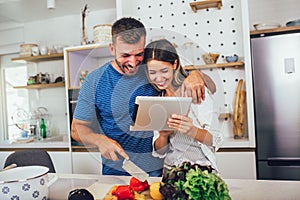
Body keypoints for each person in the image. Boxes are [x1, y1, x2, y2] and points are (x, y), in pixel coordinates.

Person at [71, 17, 209, 176]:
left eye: (139, 54)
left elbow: (201, 83)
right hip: (117, 174)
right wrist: (98, 140)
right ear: (112, 48)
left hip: (160, 173)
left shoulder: (151, 71)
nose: (133, 62)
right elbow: (77, 129)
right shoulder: (94, 81)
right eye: (125, 55)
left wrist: (195, 75)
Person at [143, 39, 223, 173]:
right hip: (171, 171)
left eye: (164, 70)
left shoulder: (195, 91)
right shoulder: (158, 100)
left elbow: (214, 140)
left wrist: (190, 130)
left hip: (202, 171)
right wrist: (163, 136)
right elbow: (160, 152)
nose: (159, 78)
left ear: (174, 64)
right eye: (152, 73)